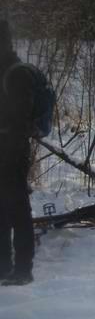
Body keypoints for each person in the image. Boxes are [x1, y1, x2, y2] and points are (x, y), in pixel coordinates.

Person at [0, 20, 36, 286]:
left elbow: (20, 120)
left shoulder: (15, 73)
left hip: (12, 152)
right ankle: (3, 266)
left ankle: (23, 269)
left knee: (17, 209)